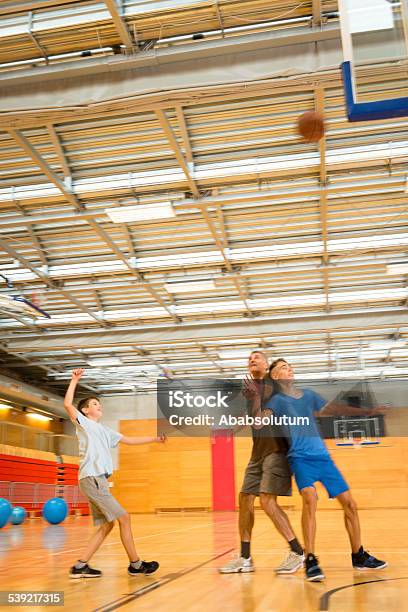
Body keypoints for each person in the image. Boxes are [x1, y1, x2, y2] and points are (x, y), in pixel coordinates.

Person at [262, 358, 387, 582]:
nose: (289, 369)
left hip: (323, 458)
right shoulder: (278, 401)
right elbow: (262, 420)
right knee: (310, 497)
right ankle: (310, 559)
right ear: (276, 377)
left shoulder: (309, 395)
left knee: (350, 503)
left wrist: (367, 411)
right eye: (282, 368)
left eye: (289, 366)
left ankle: (358, 555)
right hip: (300, 458)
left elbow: (335, 408)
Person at [64, 368, 165, 579]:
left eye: (98, 403)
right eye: (93, 404)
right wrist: (74, 380)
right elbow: (67, 405)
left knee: (108, 525)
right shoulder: (85, 424)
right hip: (92, 478)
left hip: (95, 479)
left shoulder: (105, 430)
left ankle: (81, 566)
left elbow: (128, 440)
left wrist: (154, 439)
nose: (98, 405)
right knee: (124, 519)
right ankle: (136, 565)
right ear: (84, 411)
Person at [219, 351, 304, 574]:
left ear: (267, 365)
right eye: (249, 358)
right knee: (245, 499)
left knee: (267, 500)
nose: (252, 359)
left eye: (257, 357)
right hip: (258, 453)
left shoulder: (274, 383)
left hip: (277, 451)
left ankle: (297, 551)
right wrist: (231, 428)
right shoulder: (249, 389)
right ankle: (245, 558)